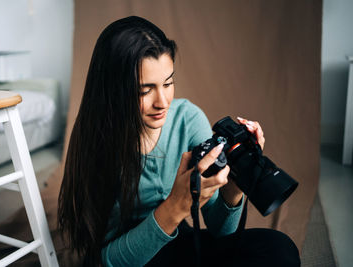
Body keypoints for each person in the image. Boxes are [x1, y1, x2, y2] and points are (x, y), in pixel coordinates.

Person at [58, 16, 300, 267]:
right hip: (130, 257)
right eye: (144, 90)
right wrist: (175, 207)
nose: (162, 102)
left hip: (181, 244)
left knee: (279, 249)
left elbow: (223, 232)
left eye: (168, 83)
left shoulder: (187, 119)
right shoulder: (98, 142)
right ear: (114, 90)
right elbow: (104, 261)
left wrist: (238, 178)